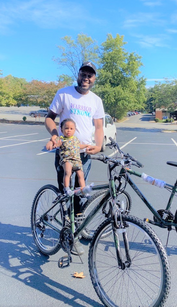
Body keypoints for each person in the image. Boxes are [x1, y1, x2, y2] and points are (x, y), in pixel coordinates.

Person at [45, 61, 105, 254]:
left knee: (81, 192)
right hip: (65, 154)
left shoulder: (96, 100)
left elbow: (98, 126)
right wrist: (55, 135)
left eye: (90, 75)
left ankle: (79, 227)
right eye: (83, 74)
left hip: (84, 155)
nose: (86, 78)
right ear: (78, 75)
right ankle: (68, 235)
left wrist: (98, 145)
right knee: (67, 192)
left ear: (94, 78)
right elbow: (49, 117)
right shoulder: (64, 93)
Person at [46, 118, 90, 196]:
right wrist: (53, 144)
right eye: (66, 128)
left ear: (74, 130)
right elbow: (56, 144)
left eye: (71, 129)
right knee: (68, 172)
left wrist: (86, 146)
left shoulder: (75, 139)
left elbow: (78, 146)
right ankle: (66, 188)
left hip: (76, 160)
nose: (69, 130)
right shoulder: (61, 139)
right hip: (67, 160)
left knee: (80, 174)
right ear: (62, 130)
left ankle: (83, 189)